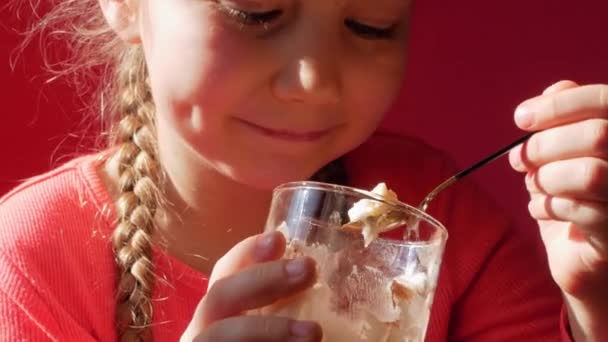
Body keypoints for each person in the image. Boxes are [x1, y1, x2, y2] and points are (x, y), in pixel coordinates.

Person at [0, 1, 606, 341]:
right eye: (255, 11)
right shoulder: (33, 261)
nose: (314, 80)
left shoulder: (437, 217)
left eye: (371, 24)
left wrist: (594, 307)